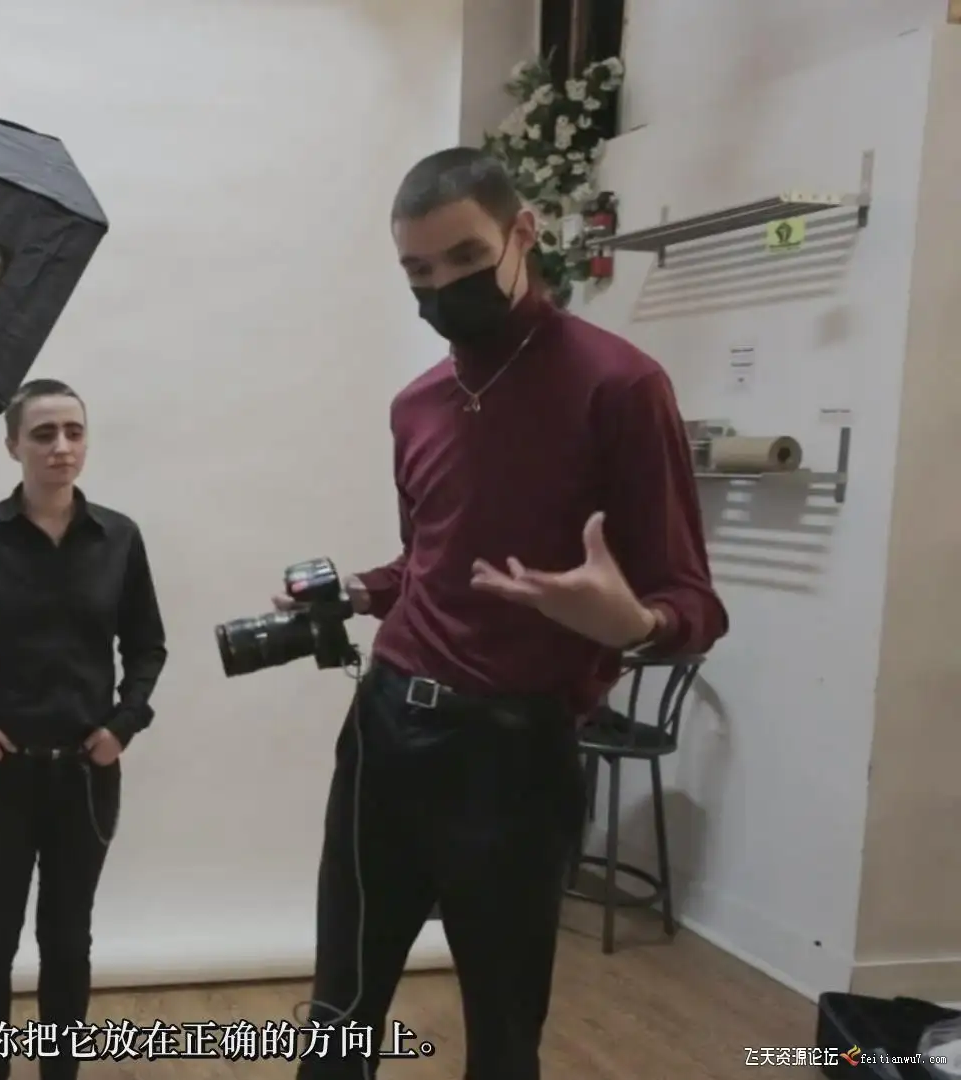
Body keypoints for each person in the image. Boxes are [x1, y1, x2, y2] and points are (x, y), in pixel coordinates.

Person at [281, 148, 729, 1080]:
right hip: (384, 735)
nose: (442, 287)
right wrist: (360, 590)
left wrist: (631, 625)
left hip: (514, 760)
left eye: (465, 258)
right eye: (417, 270)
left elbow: (694, 602)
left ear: (524, 232)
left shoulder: (620, 386)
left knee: (502, 1037)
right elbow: (428, 563)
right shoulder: (417, 407)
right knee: (338, 1015)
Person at [0, 378, 167, 1080]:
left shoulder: (119, 538)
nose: (61, 446)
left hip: (85, 775)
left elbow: (146, 646)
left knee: (68, 939)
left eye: (74, 431)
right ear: (12, 445)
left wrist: (124, 724)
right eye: (43, 433)